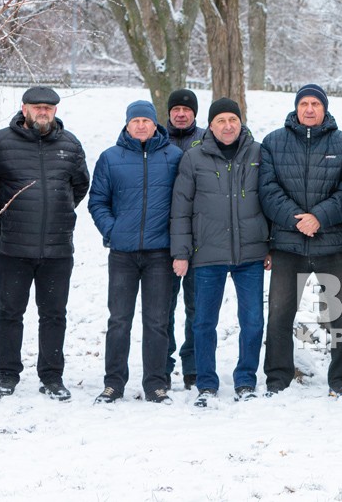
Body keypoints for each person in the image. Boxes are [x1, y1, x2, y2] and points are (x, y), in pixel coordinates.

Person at [0, 87, 90, 401]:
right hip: (13, 247)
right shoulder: (0, 143)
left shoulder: (70, 144)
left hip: (57, 249)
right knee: (9, 313)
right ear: (24, 108)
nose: (42, 112)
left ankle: (52, 376)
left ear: (55, 111)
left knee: (54, 315)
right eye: (37, 107)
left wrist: (58, 211)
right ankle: (7, 374)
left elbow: (79, 186)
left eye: (48, 107)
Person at [260, 84, 342, 398]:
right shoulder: (273, 142)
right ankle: (277, 379)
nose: (310, 109)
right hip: (288, 244)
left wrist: (318, 217)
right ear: (296, 107)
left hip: (333, 243)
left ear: (325, 108)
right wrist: (296, 219)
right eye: (304, 103)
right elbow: (267, 189)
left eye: (316, 103)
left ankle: (341, 381)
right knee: (279, 314)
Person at [170, 98, 270, 406]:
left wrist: (271, 246)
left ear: (241, 123)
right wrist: (182, 252)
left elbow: (269, 199)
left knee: (253, 320)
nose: (228, 126)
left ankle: (245, 380)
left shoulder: (258, 153)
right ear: (210, 125)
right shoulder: (193, 157)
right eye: (221, 120)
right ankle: (206, 383)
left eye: (233, 120)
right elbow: (181, 209)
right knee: (203, 322)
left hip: (250, 253)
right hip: (207, 253)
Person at [88, 100, 183, 405]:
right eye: (135, 121)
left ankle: (156, 383)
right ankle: (113, 383)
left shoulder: (174, 157)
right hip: (123, 254)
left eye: (146, 120)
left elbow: (184, 203)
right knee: (119, 321)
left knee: (157, 321)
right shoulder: (110, 158)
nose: (141, 125)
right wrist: (112, 230)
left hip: (160, 253)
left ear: (156, 124)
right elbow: (97, 201)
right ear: (127, 125)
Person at [164, 88, 204, 388]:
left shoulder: (207, 140)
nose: (180, 113)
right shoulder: (154, 139)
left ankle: (192, 367)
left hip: (200, 238)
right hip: (161, 238)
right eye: (175, 109)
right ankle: (162, 364)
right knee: (163, 308)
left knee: (196, 308)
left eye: (186, 109)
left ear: (195, 113)